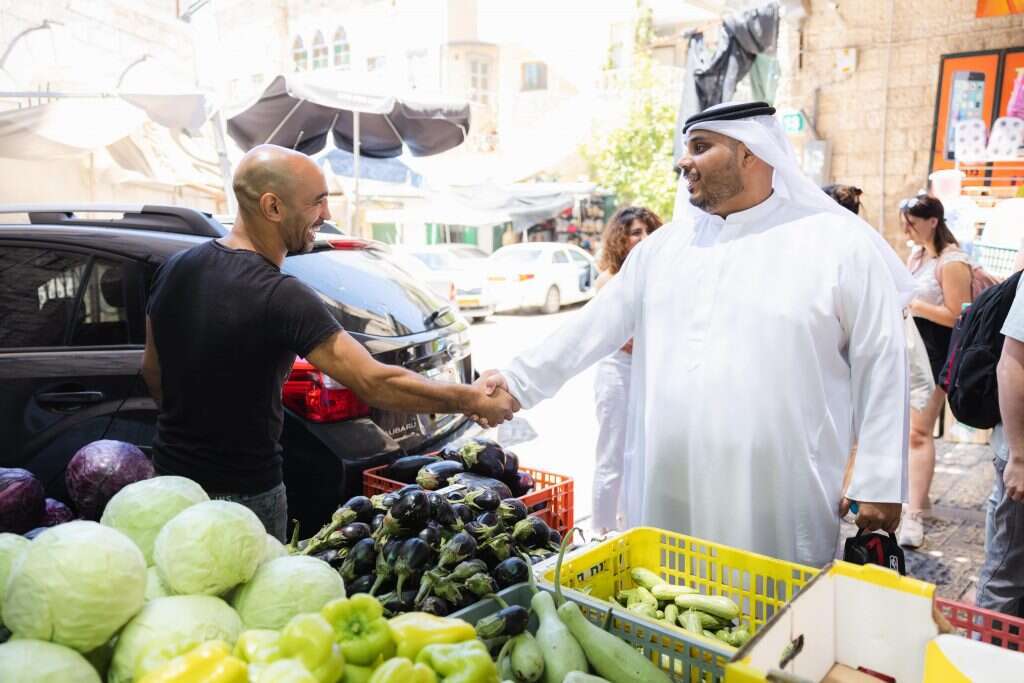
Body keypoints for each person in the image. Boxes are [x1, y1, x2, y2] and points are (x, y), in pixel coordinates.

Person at [478, 101, 917, 567]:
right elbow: (591, 327)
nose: (683, 162)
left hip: (776, 497)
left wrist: (879, 481)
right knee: (668, 604)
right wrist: (517, 382)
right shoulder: (664, 249)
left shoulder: (836, 244)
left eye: (701, 147)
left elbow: (882, 360)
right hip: (670, 486)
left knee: (773, 618)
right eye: (686, 148)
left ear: (751, 153)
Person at [143, 144, 517, 540]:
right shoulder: (280, 294)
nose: (328, 214)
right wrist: (469, 398)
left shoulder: (175, 268)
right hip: (245, 497)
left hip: (172, 481)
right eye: (317, 202)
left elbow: (152, 371)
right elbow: (373, 381)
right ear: (273, 207)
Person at [899, 194, 973, 549]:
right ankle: (918, 501)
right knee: (910, 432)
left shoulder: (952, 261)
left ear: (933, 221)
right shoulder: (918, 255)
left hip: (937, 355)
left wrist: (912, 303)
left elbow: (958, 314)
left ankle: (914, 514)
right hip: (914, 350)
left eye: (913, 221)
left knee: (918, 433)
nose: (907, 228)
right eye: (905, 221)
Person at [591, 206, 662, 534]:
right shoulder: (610, 281)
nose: (644, 239)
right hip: (617, 374)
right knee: (612, 460)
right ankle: (601, 534)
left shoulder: (656, 277)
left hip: (647, 374)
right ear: (621, 239)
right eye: (636, 232)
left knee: (639, 458)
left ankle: (630, 529)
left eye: (648, 231)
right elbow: (626, 340)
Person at [977, 274, 1024, 616]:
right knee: (1006, 575)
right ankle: (984, 661)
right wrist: (1019, 457)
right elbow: (1011, 365)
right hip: (1020, 457)